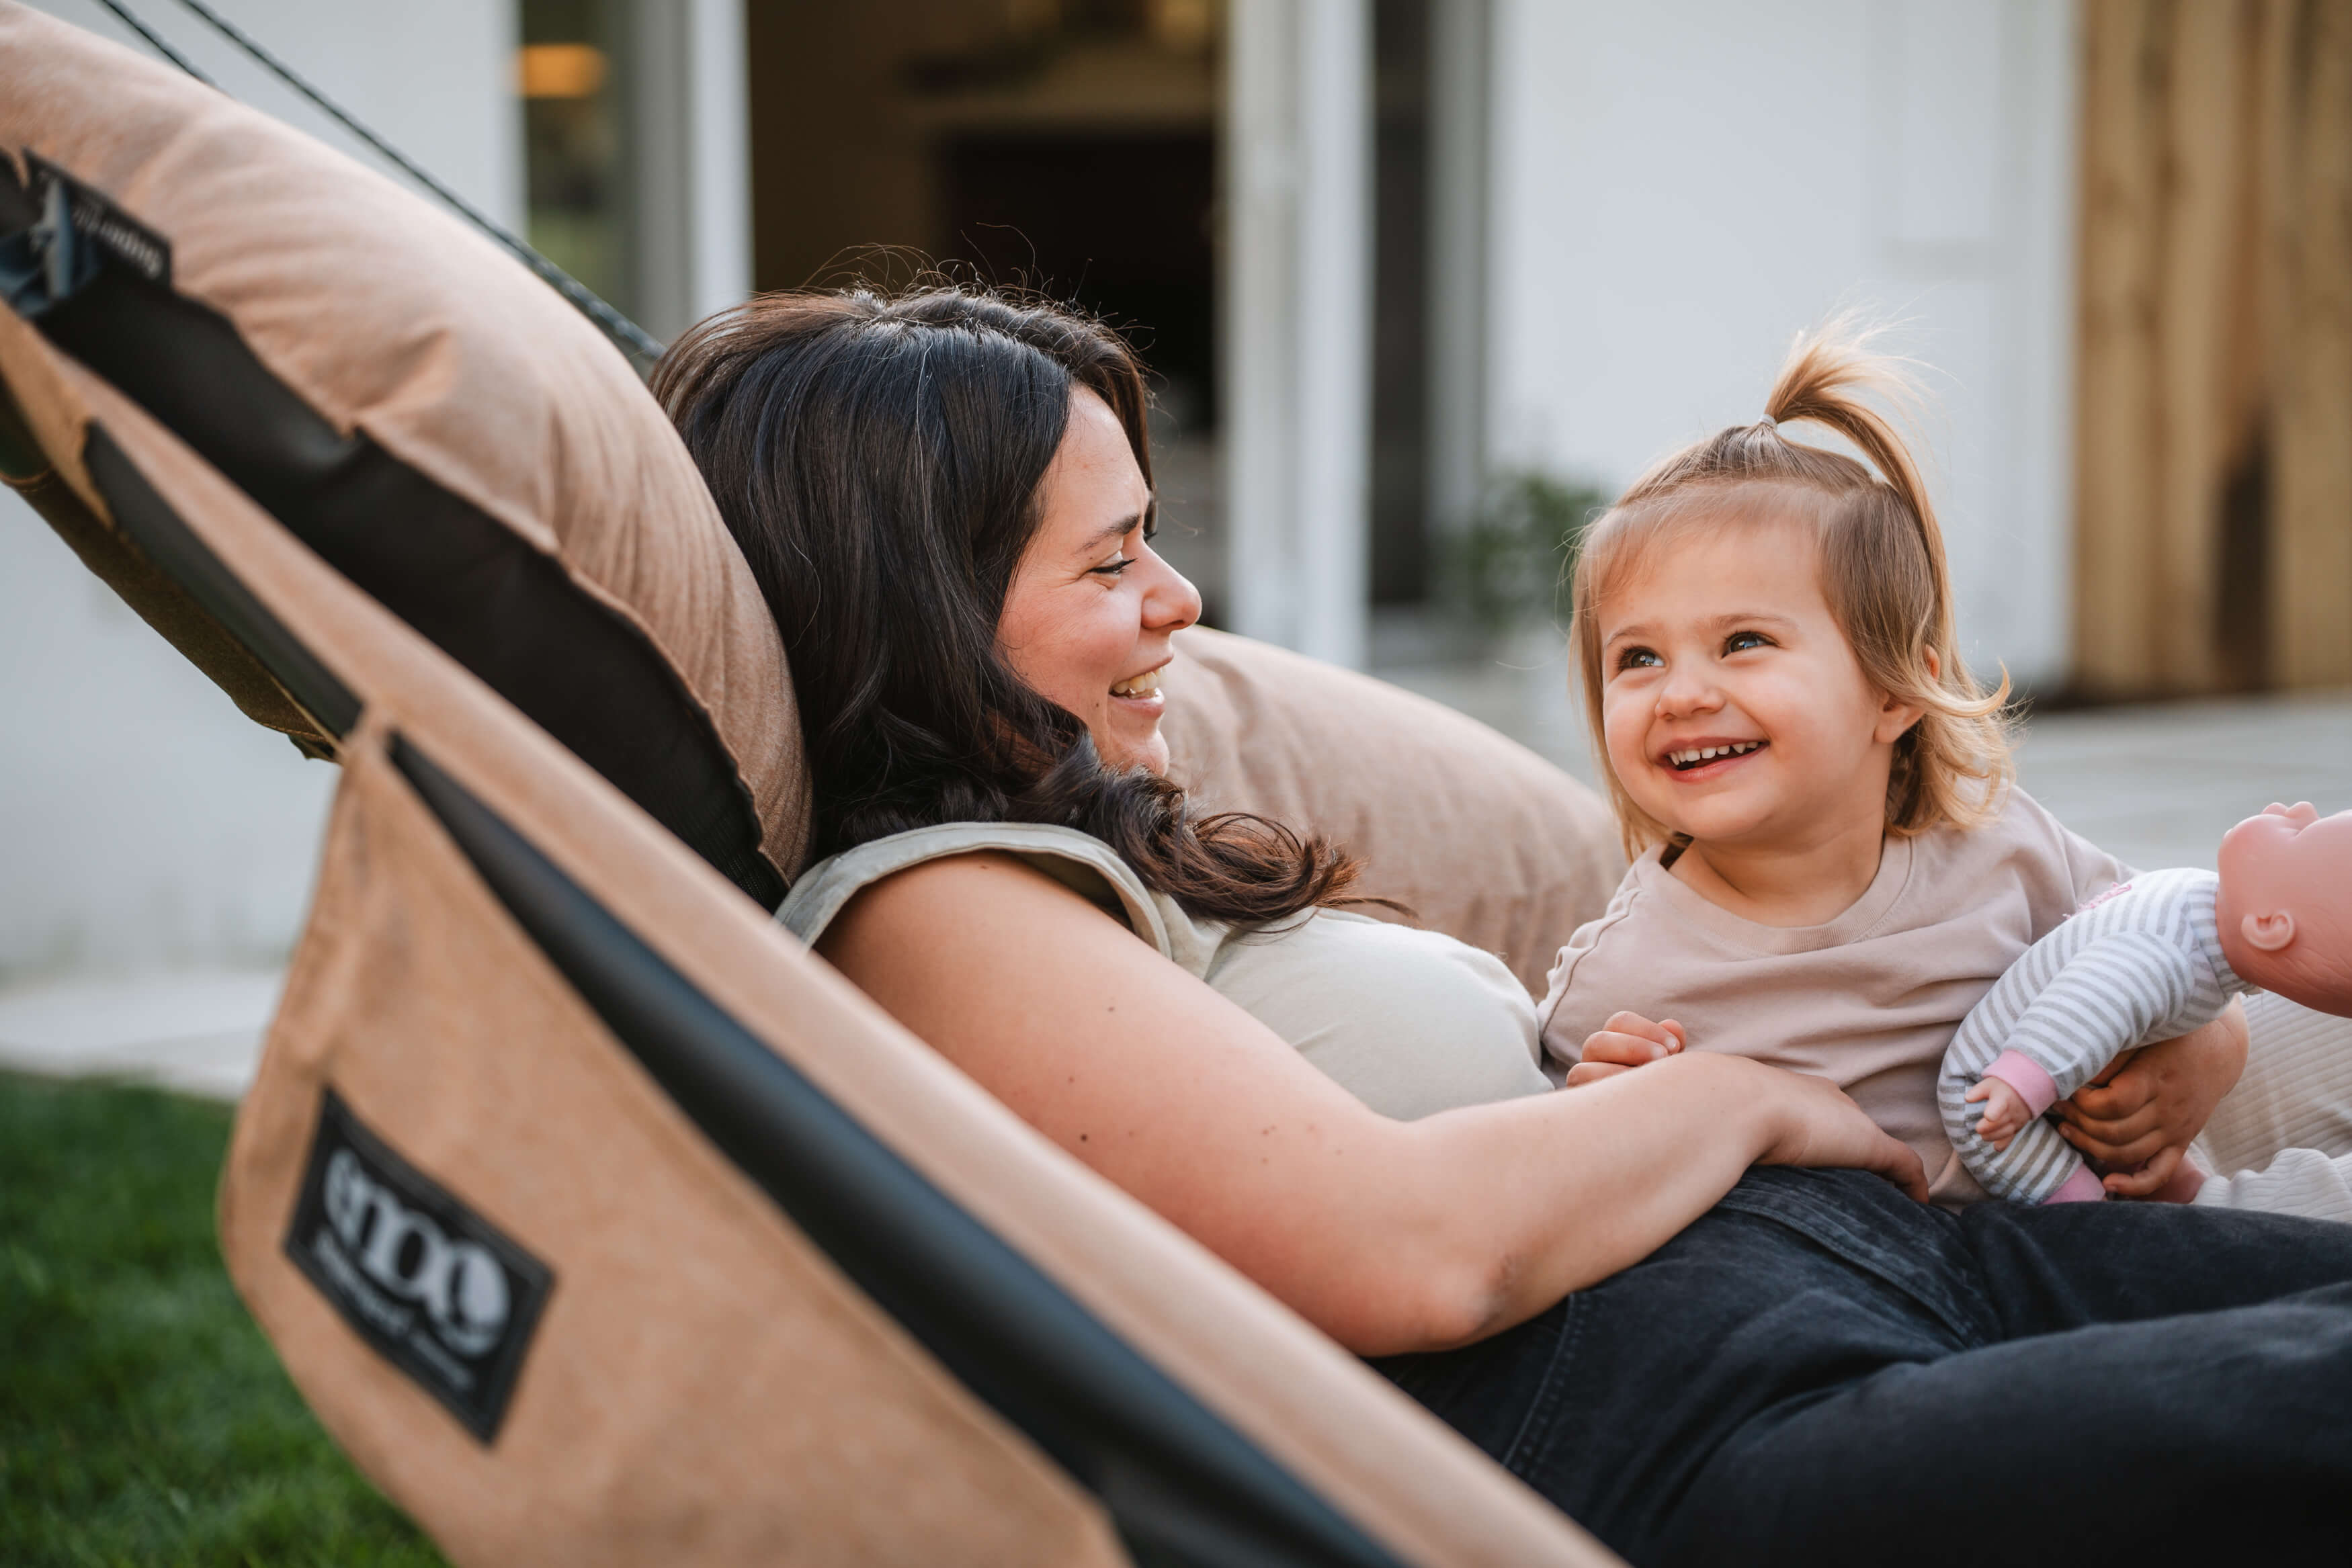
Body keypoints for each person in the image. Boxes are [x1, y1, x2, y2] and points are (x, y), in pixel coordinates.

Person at [654, 285, 2352, 1565]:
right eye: (1110, 566)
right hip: (1665, 1415)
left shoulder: (1091, 861)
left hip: (1832, 1269)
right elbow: (1407, 1251)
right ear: (924, 610)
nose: (1180, 603)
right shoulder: (933, 913)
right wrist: (1743, 1097)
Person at [1540, 324, 2352, 1221]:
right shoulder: (1625, 977)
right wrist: (1609, 1102)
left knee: (2318, 1012)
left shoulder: (1998, 845)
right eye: (1638, 659)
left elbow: (2180, 939)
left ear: (1899, 691)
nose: (1682, 694)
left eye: (1743, 643)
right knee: (2310, 1209)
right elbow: (1539, 1176)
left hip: (2141, 1145)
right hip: (2049, 1249)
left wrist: (2211, 1050)